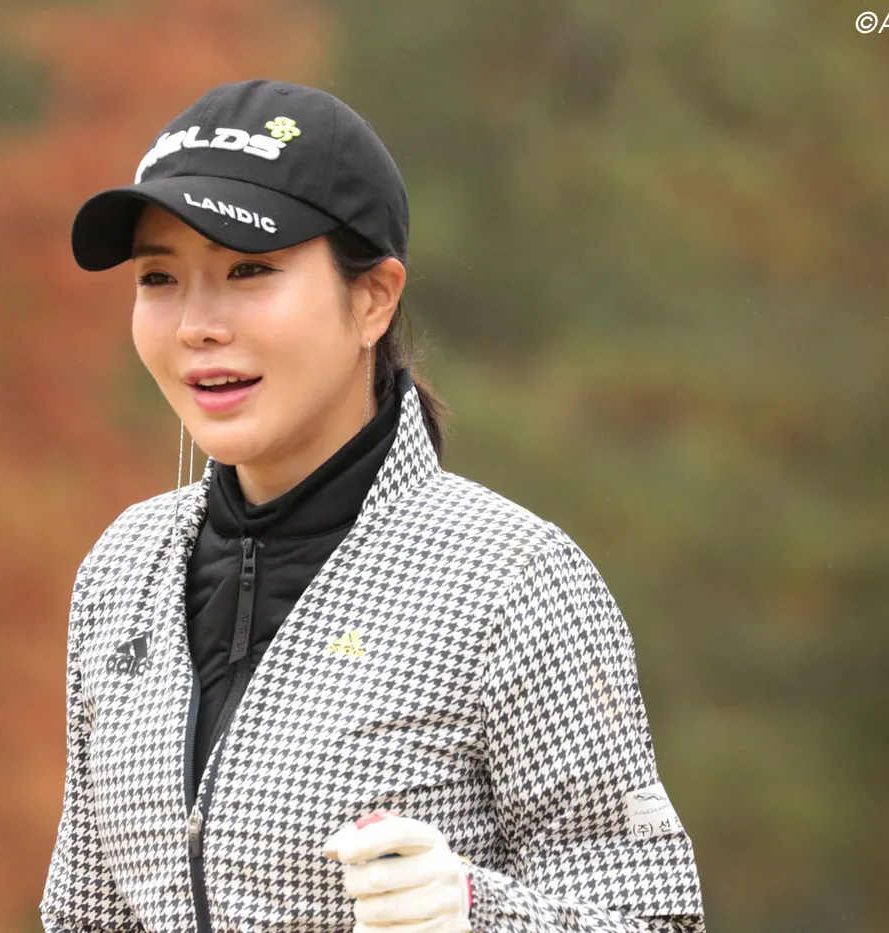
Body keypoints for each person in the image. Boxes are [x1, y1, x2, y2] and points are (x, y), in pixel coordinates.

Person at [40, 78, 706, 933]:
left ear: (373, 299)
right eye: (159, 276)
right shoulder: (122, 571)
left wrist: (476, 914)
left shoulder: (513, 581)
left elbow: (655, 918)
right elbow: (87, 917)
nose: (196, 324)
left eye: (249, 270)